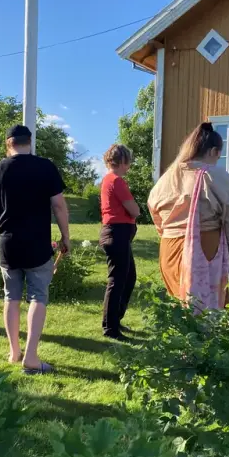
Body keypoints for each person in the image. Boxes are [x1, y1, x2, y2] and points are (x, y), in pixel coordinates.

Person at [0, 124, 70, 375]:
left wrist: (0, 231)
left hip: (8, 242)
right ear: (29, 142)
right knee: (37, 296)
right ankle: (31, 357)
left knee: (11, 296)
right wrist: (66, 237)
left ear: (8, 143)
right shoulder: (45, 167)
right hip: (37, 242)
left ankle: (14, 352)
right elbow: (59, 206)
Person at [148, 122, 229, 310]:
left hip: (169, 248)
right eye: (218, 155)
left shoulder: (168, 176)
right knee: (206, 307)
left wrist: (168, 232)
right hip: (204, 246)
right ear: (213, 151)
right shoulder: (214, 175)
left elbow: (154, 209)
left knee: (177, 306)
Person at [99, 144, 140, 341]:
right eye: (128, 162)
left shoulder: (108, 180)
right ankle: (110, 327)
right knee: (117, 280)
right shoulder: (117, 181)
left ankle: (115, 320)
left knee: (129, 277)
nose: (129, 166)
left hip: (115, 234)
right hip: (117, 234)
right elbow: (134, 210)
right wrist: (136, 210)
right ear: (122, 161)